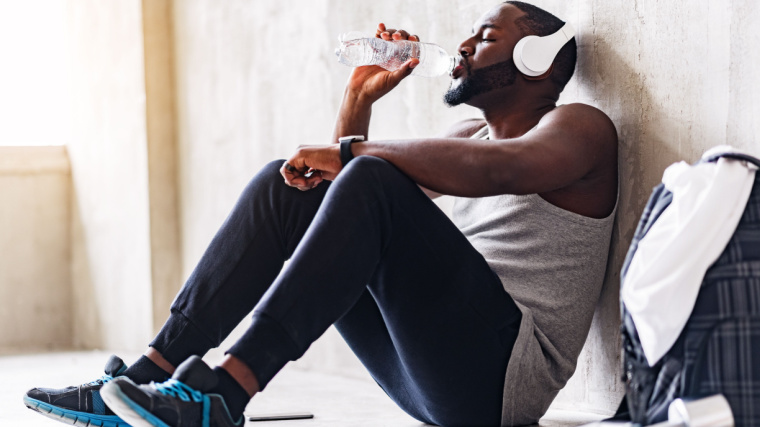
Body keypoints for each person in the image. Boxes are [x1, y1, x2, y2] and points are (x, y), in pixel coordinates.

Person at [24, 1, 618, 426]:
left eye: (485, 36)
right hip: (430, 373)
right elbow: (342, 202)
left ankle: (227, 390)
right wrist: (357, 101)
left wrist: (350, 152)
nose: (462, 46)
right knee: (287, 186)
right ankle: (152, 373)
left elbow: (500, 171)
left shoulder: (578, 127)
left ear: (538, 59)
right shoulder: (468, 136)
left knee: (369, 174)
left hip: (499, 383)